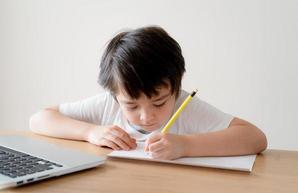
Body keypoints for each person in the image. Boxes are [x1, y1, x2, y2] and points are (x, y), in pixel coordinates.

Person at [29, 26, 267, 160]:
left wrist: (185, 145)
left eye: (159, 102)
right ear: (115, 96)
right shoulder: (109, 104)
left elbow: (255, 138)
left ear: (175, 88)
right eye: (131, 106)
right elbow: (39, 119)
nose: (146, 116)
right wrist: (90, 132)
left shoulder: (186, 107)